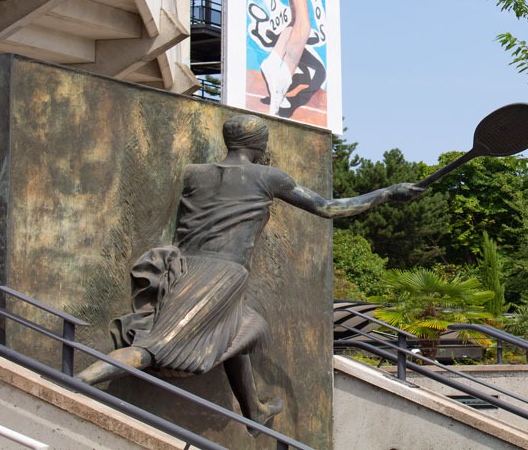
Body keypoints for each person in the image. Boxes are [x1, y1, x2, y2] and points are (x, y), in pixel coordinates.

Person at [76, 114, 423, 431]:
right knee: (155, 348)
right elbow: (328, 208)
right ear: (259, 145)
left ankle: (253, 410)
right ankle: (78, 380)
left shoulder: (194, 173)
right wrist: (388, 193)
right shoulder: (268, 177)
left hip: (184, 269)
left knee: (247, 327)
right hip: (219, 276)